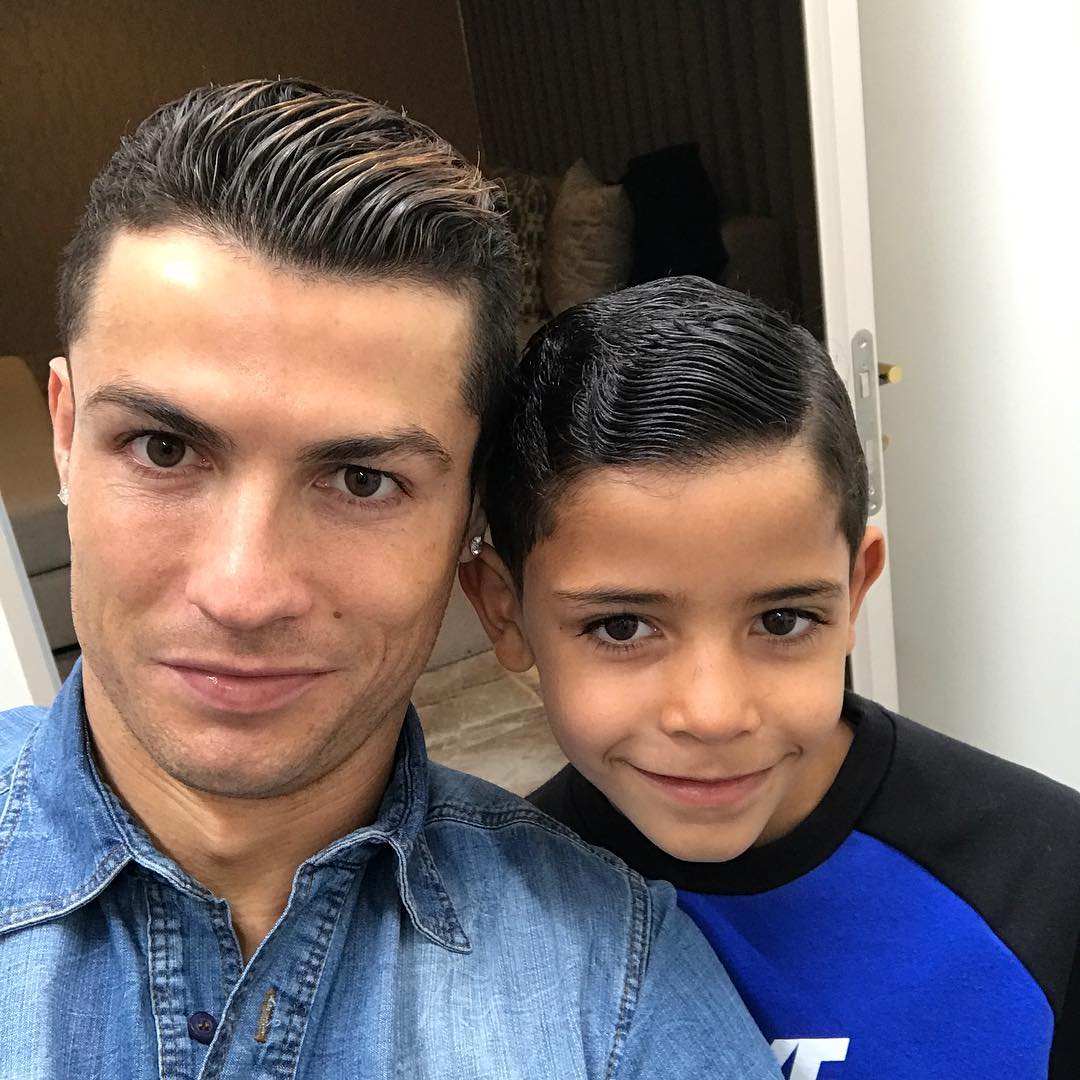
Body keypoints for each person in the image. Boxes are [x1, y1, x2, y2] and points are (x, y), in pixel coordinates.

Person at [0, 83, 782, 1078]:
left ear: (470, 512)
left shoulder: (614, 986)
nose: (242, 593)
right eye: (163, 448)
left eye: (362, 480)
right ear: (66, 434)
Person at [460, 275, 1080, 1079]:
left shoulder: (1046, 878)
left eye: (783, 620)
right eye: (622, 627)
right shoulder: (486, 920)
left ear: (855, 591)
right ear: (505, 612)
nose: (714, 713)